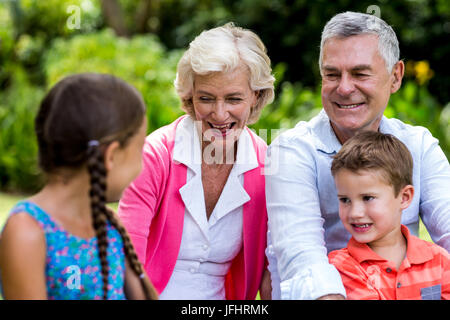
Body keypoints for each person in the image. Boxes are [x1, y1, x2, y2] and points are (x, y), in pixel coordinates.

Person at [265, 11, 450, 300]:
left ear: (395, 77)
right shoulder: (292, 152)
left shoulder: (419, 146)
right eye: (332, 75)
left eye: (360, 74)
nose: (345, 88)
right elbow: (303, 259)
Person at [117, 22, 275, 300]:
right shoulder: (155, 155)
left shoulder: (267, 165)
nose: (220, 113)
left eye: (234, 98)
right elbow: (127, 262)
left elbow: (275, 267)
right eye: (206, 98)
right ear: (190, 98)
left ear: (256, 96)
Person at [0, 73, 158, 300]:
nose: (141, 166)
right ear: (111, 155)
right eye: (139, 148)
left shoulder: (109, 227)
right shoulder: (28, 232)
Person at [328, 131, 450, 300]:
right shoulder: (340, 267)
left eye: (368, 198)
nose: (355, 213)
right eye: (345, 200)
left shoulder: (439, 260)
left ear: (404, 197)